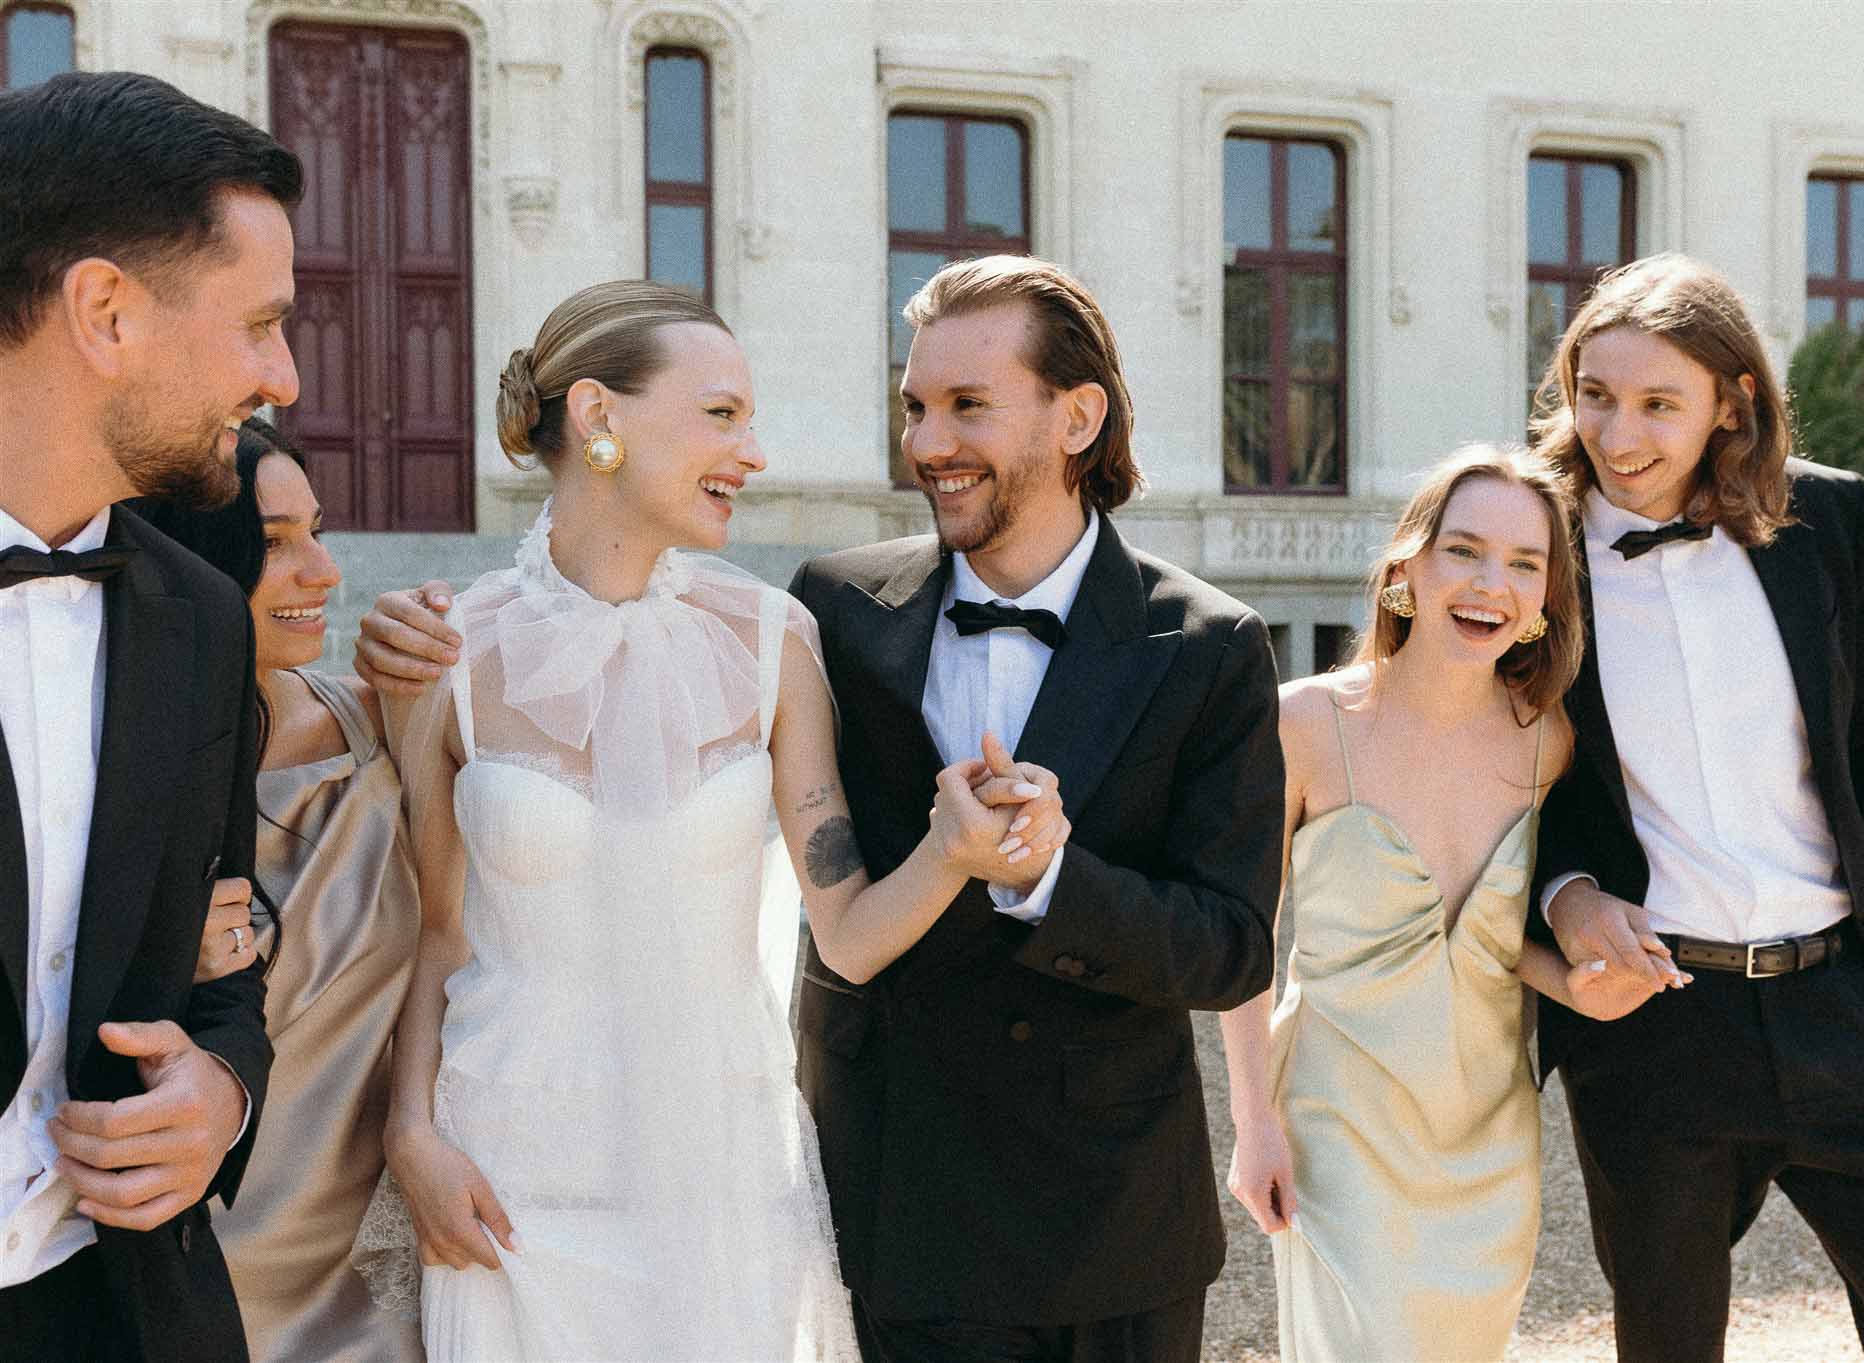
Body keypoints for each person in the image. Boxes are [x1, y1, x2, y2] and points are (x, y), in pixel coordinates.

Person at [368, 280, 1064, 1362]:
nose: (753, 451)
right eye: (721, 415)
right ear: (598, 417)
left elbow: (843, 929)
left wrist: (951, 852)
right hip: (512, 1177)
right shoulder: (445, 654)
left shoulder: (768, 640)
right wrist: (409, 1130)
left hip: (722, 1175)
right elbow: (433, 929)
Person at [1527, 253, 1864, 1362]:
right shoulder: (1532, 549)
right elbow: (1468, 777)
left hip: (1845, 1011)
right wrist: (1564, 898)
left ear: (1731, 401)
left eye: (1660, 403)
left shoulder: (1830, 523)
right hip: (1652, 1031)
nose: (1619, 436)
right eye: (1594, 394)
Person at [784, 255, 1282, 1363]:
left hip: (1105, 1233)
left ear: (1077, 416)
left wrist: (1049, 879)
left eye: (966, 405)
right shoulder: (830, 609)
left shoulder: (1208, 647)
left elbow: (1231, 949)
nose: (925, 443)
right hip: (893, 1207)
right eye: (914, 406)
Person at [1218, 443, 1660, 1362]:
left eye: (1524, 563)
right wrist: (1252, 1120)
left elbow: (1495, 940)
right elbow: (1240, 935)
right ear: (1407, 567)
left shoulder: (1552, 743)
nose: (1490, 582)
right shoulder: (1303, 723)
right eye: (1463, 549)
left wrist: (1578, 986)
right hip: (1340, 1128)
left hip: (1489, 1144)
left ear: (1546, 599)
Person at [0, 71, 301, 1362]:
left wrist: (220, 1088)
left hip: (114, 1312)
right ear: (107, 312)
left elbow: (222, 965)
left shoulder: (201, 616)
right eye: (260, 323)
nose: (280, 376)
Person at [131, 418, 428, 1363]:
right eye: (275, 543)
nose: (325, 571)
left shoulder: (383, 717)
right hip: (200, 1259)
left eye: (319, 530)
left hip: (379, 1268)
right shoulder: (120, 777)